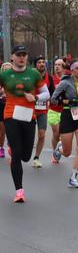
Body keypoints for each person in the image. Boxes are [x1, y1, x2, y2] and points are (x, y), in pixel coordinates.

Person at [0, 46, 50, 203]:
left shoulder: (33, 73)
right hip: (10, 116)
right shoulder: (5, 75)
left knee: (27, 156)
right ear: (12, 57)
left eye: (24, 55)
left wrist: (35, 98)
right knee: (16, 154)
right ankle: (19, 191)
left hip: (29, 116)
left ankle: (16, 150)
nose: (22, 58)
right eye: (18, 55)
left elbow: (47, 93)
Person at [50, 61, 78, 188]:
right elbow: (53, 99)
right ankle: (59, 148)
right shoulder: (65, 82)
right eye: (77, 68)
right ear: (72, 70)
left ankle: (73, 177)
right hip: (68, 115)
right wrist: (67, 101)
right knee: (67, 152)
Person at [31, 56, 50, 168]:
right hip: (31, 109)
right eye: (39, 62)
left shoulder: (49, 78)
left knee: (42, 134)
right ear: (35, 64)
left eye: (43, 62)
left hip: (43, 110)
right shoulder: (30, 76)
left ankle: (36, 157)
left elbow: (51, 93)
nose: (42, 64)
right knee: (28, 134)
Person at [47, 59, 65, 164]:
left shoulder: (67, 79)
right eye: (55, 65)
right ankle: (55, 152)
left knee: (63, 135)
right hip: (53, 110)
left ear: (63, 67)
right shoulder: (51, 80)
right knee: (56, 133)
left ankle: (58, 149)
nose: (57, 67)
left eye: (59, 65)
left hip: (64, 111)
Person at [0, 62, 9, 158]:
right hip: (1, 106)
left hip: (12, 107)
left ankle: (12, 146)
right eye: (5, 69)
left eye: (8, 69)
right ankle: (1, 147)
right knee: (2, 131)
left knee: (12, 129)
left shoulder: (15, 80)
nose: (7, 71)